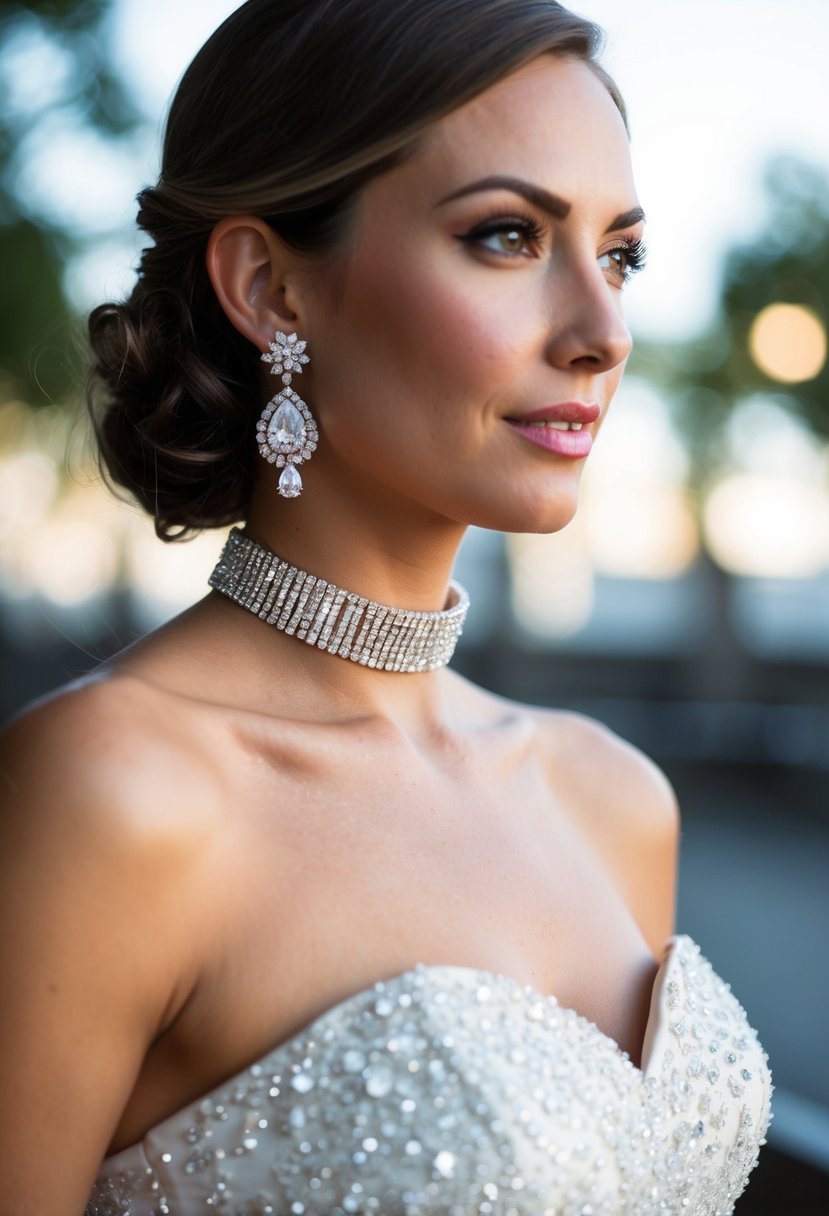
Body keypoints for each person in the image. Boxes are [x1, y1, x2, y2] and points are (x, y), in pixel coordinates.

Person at [0, 1, 771, 1213]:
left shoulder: (614, 799)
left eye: (620, 254)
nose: (603, 332)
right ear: (269, 287)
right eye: (509, 236)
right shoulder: (112, 793)